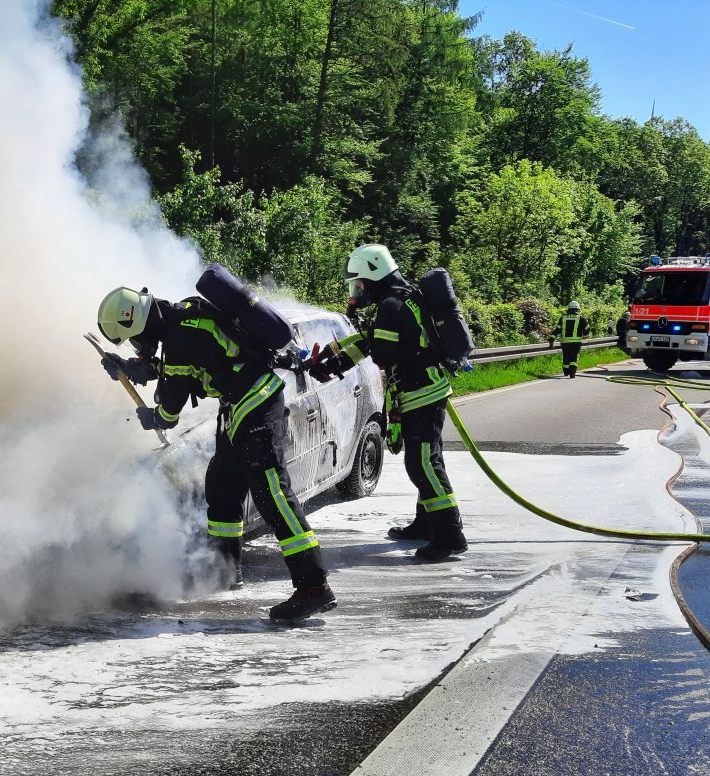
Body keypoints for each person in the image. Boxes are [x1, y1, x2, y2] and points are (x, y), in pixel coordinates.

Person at [96, 286, 336, 622]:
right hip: (240, 409)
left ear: (139, 325)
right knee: (222, 486)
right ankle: (223, 572)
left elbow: (168, 411)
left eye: (134, 341)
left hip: (257, 407)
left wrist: (151, 417)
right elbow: (180, 367)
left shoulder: (178, 338)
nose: (138, 347)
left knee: (273, 496)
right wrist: (129, 368)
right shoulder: (182, 318)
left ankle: (314, 586)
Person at [311, 244, 467, 562]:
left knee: (422, 464)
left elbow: (381, 353)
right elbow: (373, 343)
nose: (357, 292)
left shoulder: (392, 305)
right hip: (423, 391)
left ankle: (450, 536)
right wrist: (334, 361)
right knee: (426, 460)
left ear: (372, 274)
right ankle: (426, 525)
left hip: (423, 393)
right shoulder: (402, 297)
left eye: (359, 284)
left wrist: (342, 358)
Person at [552, 301, 590, 378]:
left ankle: (566, 372)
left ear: (568, 309)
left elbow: (557, 329)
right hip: (576, 342)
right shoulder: (581, 318)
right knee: (574, 356)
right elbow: (587, 328)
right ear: (578, 309)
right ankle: (572, 373)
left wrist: (552, 338)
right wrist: (585, 335)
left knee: (566, 356)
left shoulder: (563, 317)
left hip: (565, 341)